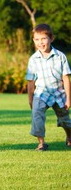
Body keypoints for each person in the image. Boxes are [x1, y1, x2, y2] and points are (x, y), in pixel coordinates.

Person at [25, 23, 71, 151]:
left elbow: (66, 78)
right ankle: (41, 143)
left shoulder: (60, 56)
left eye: (44, 38)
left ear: (51, 38)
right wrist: (30, 99)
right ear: (34, 40)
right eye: (37, 39)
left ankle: (69, 136)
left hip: (59, 93)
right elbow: (30, 82)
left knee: (65, 120)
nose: (41, 42)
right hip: (41, 94)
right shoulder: (33, 59)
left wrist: (69, 98)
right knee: (37, 115)